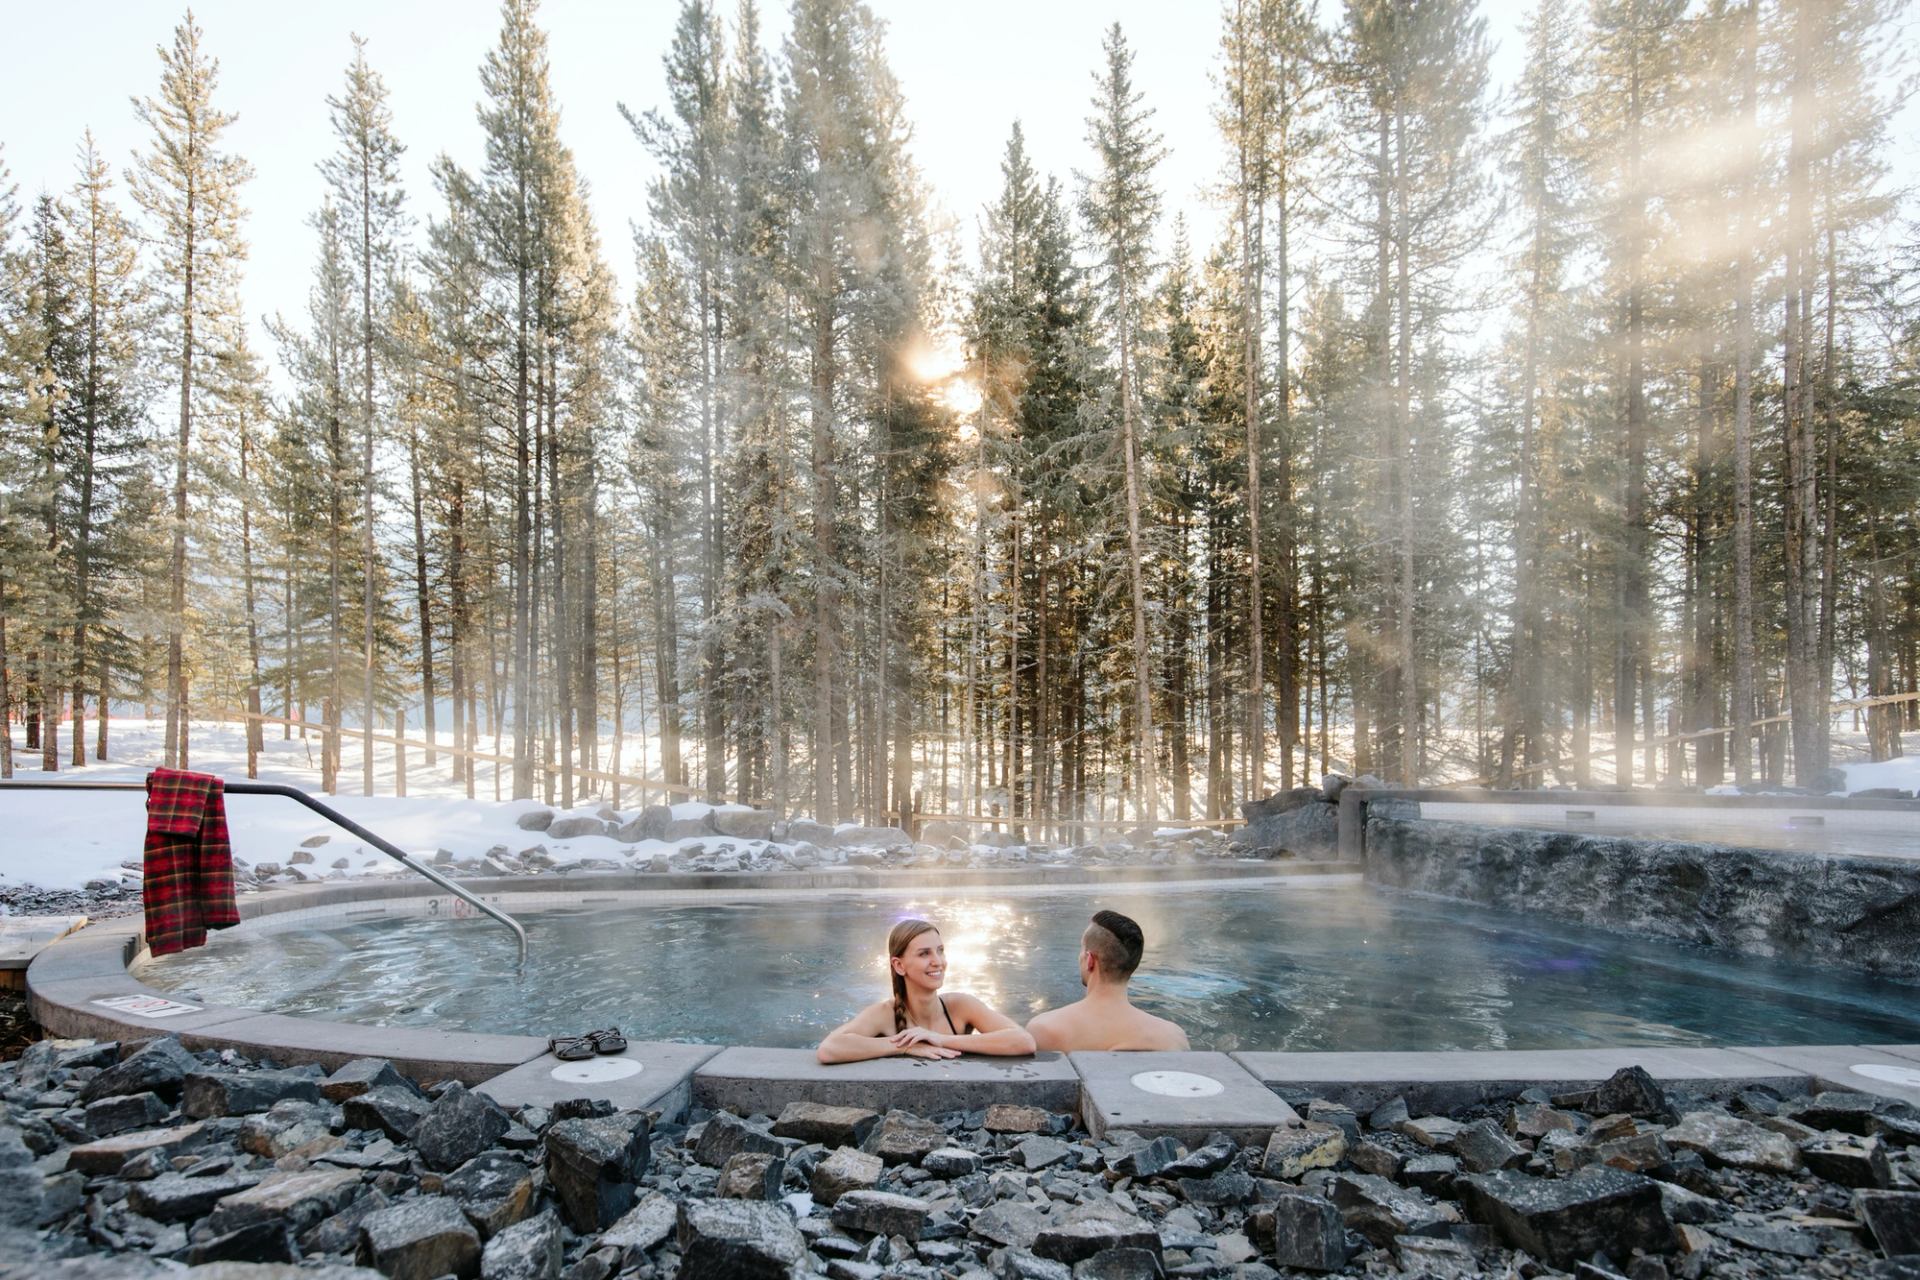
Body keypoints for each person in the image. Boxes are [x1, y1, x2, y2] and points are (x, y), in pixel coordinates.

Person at [817, 917, 1037, 1063]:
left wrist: (939, 1039)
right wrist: (904, 1047)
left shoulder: (960, 1006)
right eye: (924, 954)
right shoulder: (885, 1014)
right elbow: (829, 1049)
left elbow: (1023, 1041)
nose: (938, 961)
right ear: (899, 965)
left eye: (940, 951)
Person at [1026, 910, 1189, 1052]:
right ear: (1133, 964)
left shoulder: (1045, 1030)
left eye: (1082, 949)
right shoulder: (1173, 1037)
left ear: (1089, 959)